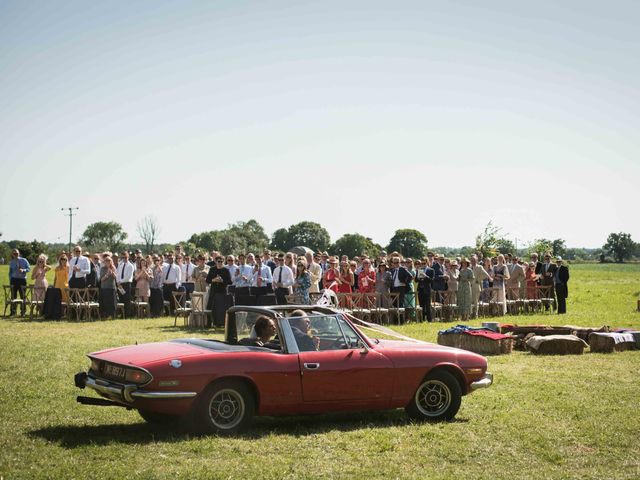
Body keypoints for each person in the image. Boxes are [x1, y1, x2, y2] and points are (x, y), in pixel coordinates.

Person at [8, 249, 30, 315]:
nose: (15, 255)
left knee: (23, 296)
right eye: (14, 254)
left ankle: (23, 312)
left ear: (19, 253)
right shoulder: (11, 262)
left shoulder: (24, 260)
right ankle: (13, 312)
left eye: (17, 253)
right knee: (13, 296)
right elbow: (10, 272)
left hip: (22, 280)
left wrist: (23, 270)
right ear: (12, 254)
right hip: (14, 280)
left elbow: (29, 269)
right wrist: (10, 280)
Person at [116, 251, 135, 317]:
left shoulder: (130, 266)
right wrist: (118, 282)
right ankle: (121, 314)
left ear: (128, 257)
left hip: (126, 284)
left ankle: (127, 315)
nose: (124, 258)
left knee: (127, 300)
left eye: (125, 257)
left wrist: (120, 281)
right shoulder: (120, 264)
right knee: (121, 299)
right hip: (120, 285)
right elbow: (117, 274)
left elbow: (128, 277)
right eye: (123, 257)